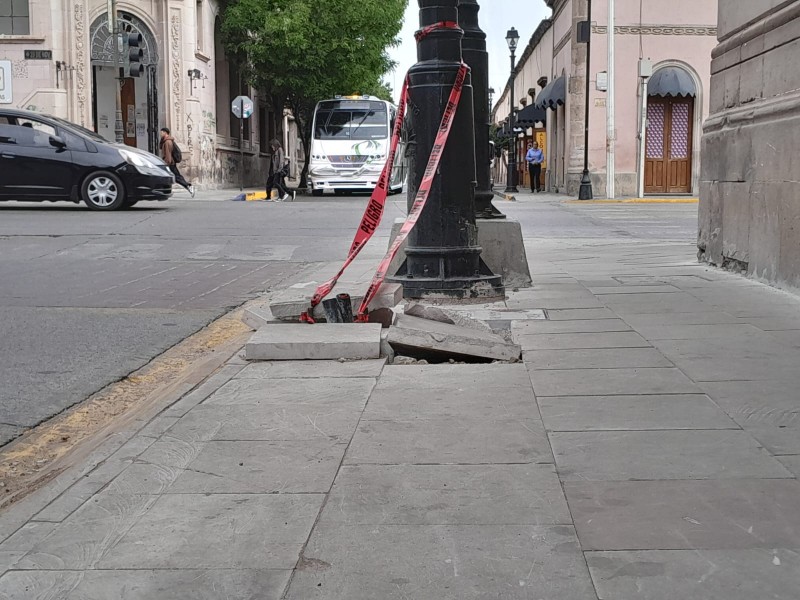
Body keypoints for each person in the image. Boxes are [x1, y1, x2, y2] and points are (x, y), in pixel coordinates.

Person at [159, 127, 195, 197]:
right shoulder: (166, 141)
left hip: (169, 163)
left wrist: (166, 164)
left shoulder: (167, 142)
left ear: (165, 133)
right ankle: (165, 191)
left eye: (161, 132)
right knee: (173, 177)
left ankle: (188, 186)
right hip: (170, 163)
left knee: (177, 177)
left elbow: (168, 154)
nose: (160, 134)